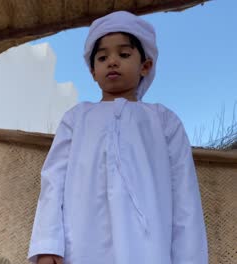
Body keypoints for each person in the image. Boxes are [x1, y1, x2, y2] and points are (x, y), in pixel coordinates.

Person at [28, 11, 208, 264]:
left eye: (124, 54)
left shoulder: (163, 121)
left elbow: (184, 196)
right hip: (79, 243)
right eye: (102, 57)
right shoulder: (77, 118)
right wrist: (48, 245)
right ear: (93, 70)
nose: (112, 62)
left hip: (149, 247)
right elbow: (53, 182)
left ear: (145, 66)